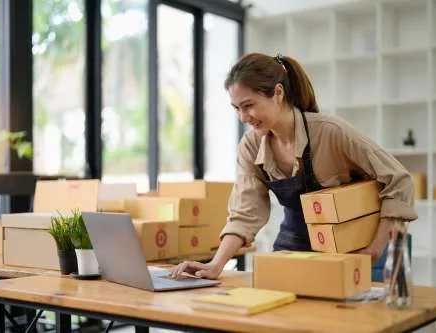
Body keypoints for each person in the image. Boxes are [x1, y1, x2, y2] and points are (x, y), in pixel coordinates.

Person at [170, 53, 418, 280]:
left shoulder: (330, 132)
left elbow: (399, 179)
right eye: (236, 108)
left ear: (278, 93)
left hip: (357, 245)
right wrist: (216, 265)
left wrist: (374, 249)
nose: (243, 118)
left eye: (249, 105)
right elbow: (246, 211)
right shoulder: (250, 146)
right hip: (296, 241)